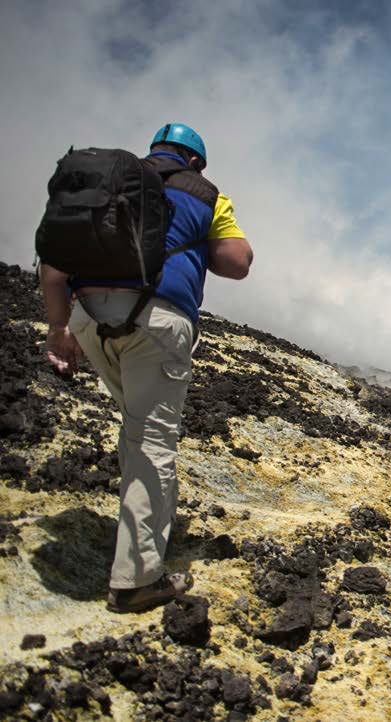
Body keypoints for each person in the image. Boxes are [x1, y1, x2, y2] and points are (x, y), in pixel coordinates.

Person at [39, 123, 253, 613]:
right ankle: (136, 581)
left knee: (137, 430)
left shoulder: (105, 182)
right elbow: (238, 262)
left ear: (155, 150)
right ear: (196, 161)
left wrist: (58, 328)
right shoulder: (203, 193)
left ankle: (137, 530)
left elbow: (53, 260)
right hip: (158, 321)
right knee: (152, 442)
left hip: (88, 319)